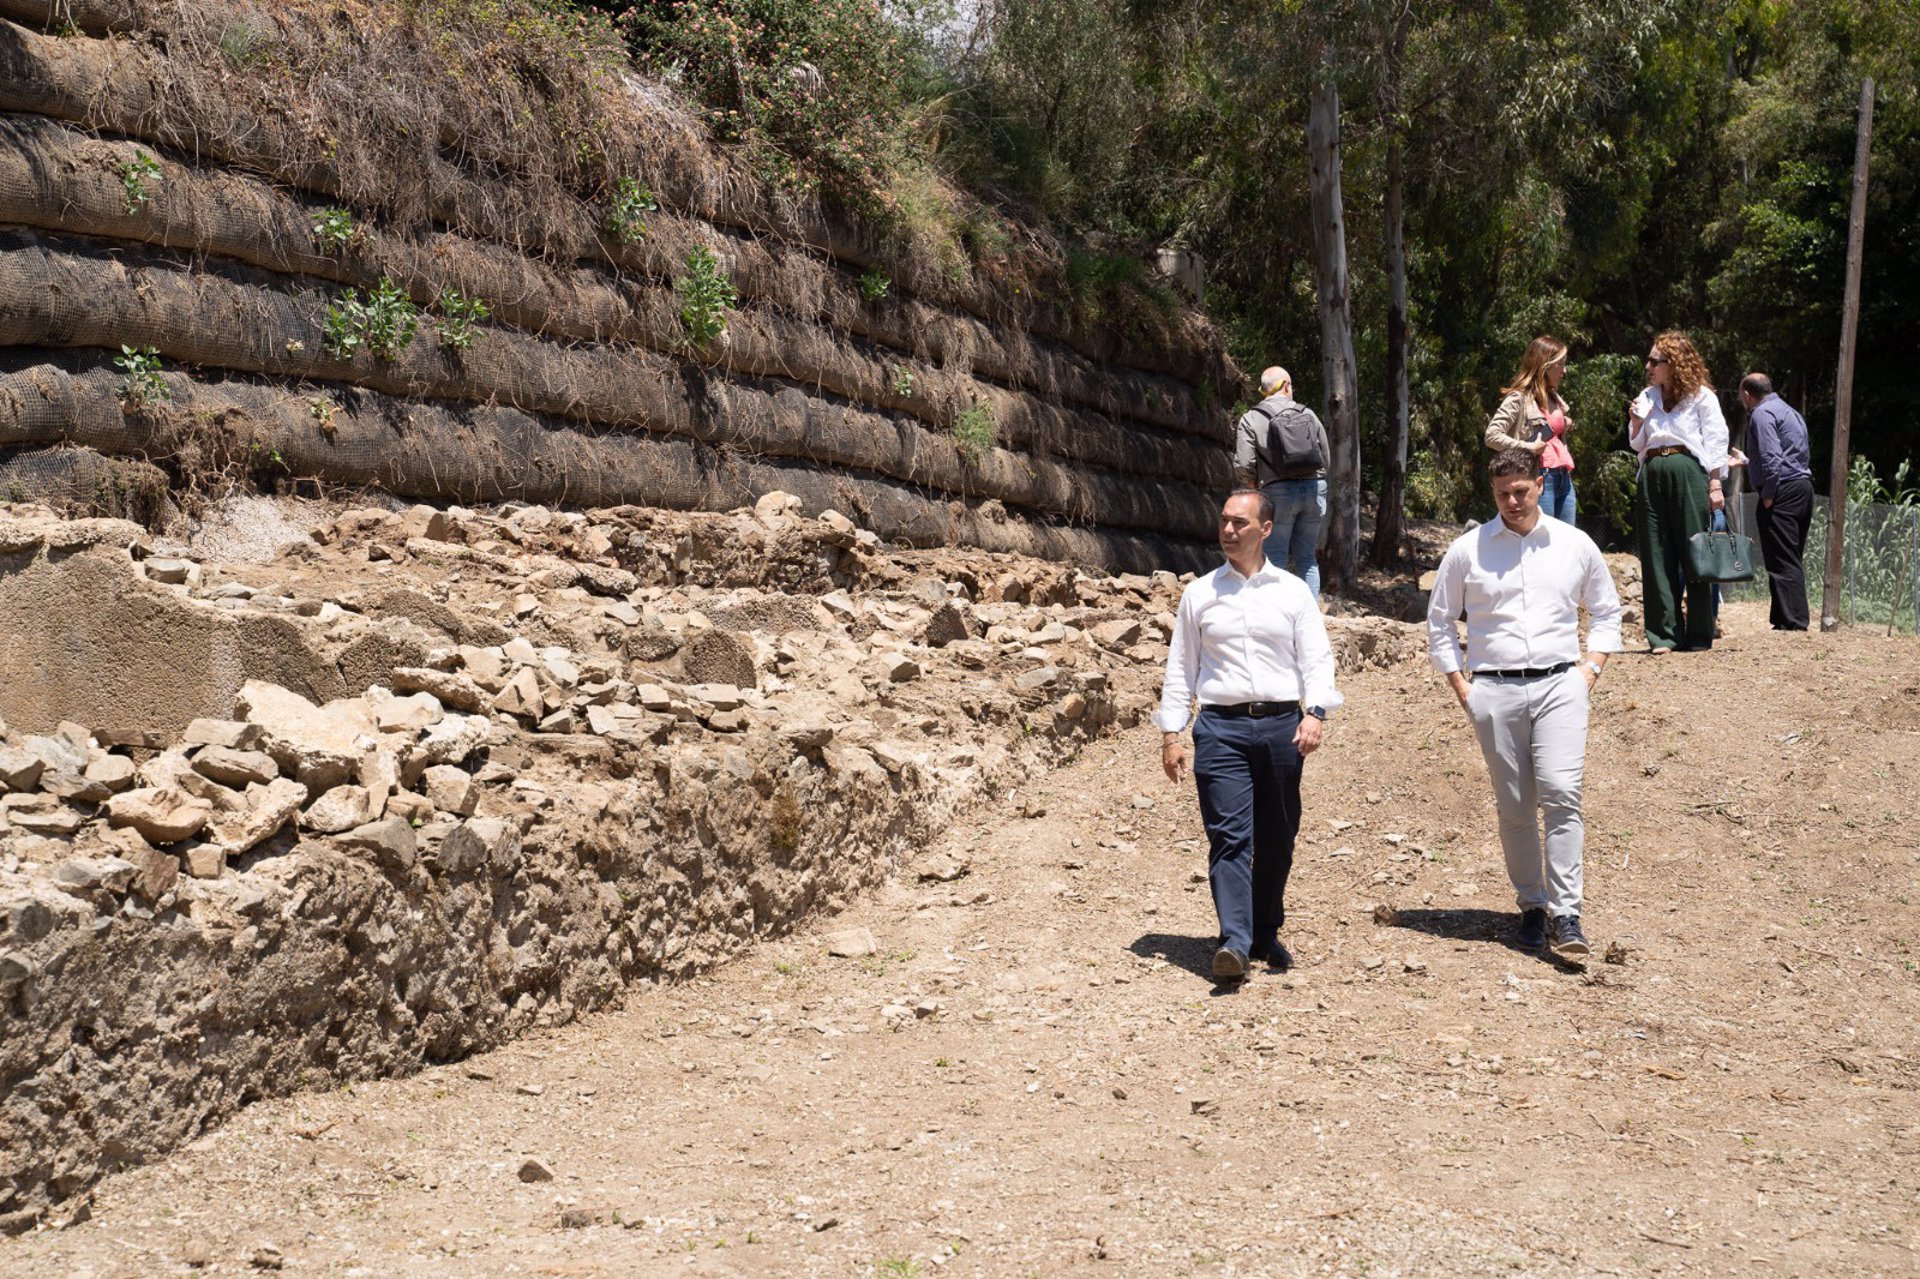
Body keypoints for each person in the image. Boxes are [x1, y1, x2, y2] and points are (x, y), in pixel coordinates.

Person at [1426, 448, 1623, 963]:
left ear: (1540, 484)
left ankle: (1567, 912)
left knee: (1561, 793)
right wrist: (1461, 686)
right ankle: (1532, 908)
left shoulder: (1573, 545)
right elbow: (1441, 619)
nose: (1512, 501)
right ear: (1491, 493)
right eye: (1502, 494)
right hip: (1493, 688)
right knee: (1514, 806)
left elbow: (1606, 610)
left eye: (1521, 491)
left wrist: (1591, 669)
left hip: (1562, 683)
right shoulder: (1468, 550)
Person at [1157, 489, 1342, 981]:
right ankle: (1234, 943)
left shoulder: (1292, 592)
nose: (1228, 530)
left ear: (1265, 529)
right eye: (1223, 521)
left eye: (1240, 522)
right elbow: (1181, 668)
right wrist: (1171, 734)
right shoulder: (1200, 594)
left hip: (1283, 726)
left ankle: (1265, 931)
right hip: (1220, 728)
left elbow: (1317, 659)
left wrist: (1316, 712)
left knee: (1278, 836)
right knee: (1229, 837)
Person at [1628, 330, 1729, 652]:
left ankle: (1700, 633)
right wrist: (1634, 422)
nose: (1648, 366)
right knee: (1656, 554)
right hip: (1652, 471)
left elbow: (1715, 440)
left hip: (1688, 471)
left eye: (1655, 360)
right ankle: (1664, 635)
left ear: (1674, 363)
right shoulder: (1647, 396)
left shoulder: (1701, 397)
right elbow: (1638, 444)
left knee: (1694, 552)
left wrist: (1715, 483)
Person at [1232, 366, 1331, 598]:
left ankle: (1276, 617)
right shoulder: (1308, 413)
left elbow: (1243, 464)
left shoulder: (1251, 418)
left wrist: (1255, 486)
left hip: (1276, 492)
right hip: (1314, 489)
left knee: (1275, 556)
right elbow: (1325, 457)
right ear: (1286, 385)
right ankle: (1308, 618)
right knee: (1306, 558)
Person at [1738, 373, 1814, 630]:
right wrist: (1748, 462)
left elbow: (1773, 459)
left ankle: (1794, 622)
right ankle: (1783, 618)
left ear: (1747, 394)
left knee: (1781, 557)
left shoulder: (1761, 413)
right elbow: (1792, 454)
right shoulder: (1789, 411)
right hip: (1803, 488)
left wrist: (1769, 494)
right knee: (1789, 555)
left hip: (1781, 490)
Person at [1486, 336, 1577, 524]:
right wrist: (1527, 447)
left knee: (1566, 540)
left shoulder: (1555, 398)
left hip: (1563, 477)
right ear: (1545, 365)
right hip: (1538, 478)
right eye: (1560, 364)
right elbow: (1492, 436)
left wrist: (1565, 423)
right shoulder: (1518, 398)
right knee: (1538, 539)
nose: (1564, 370)